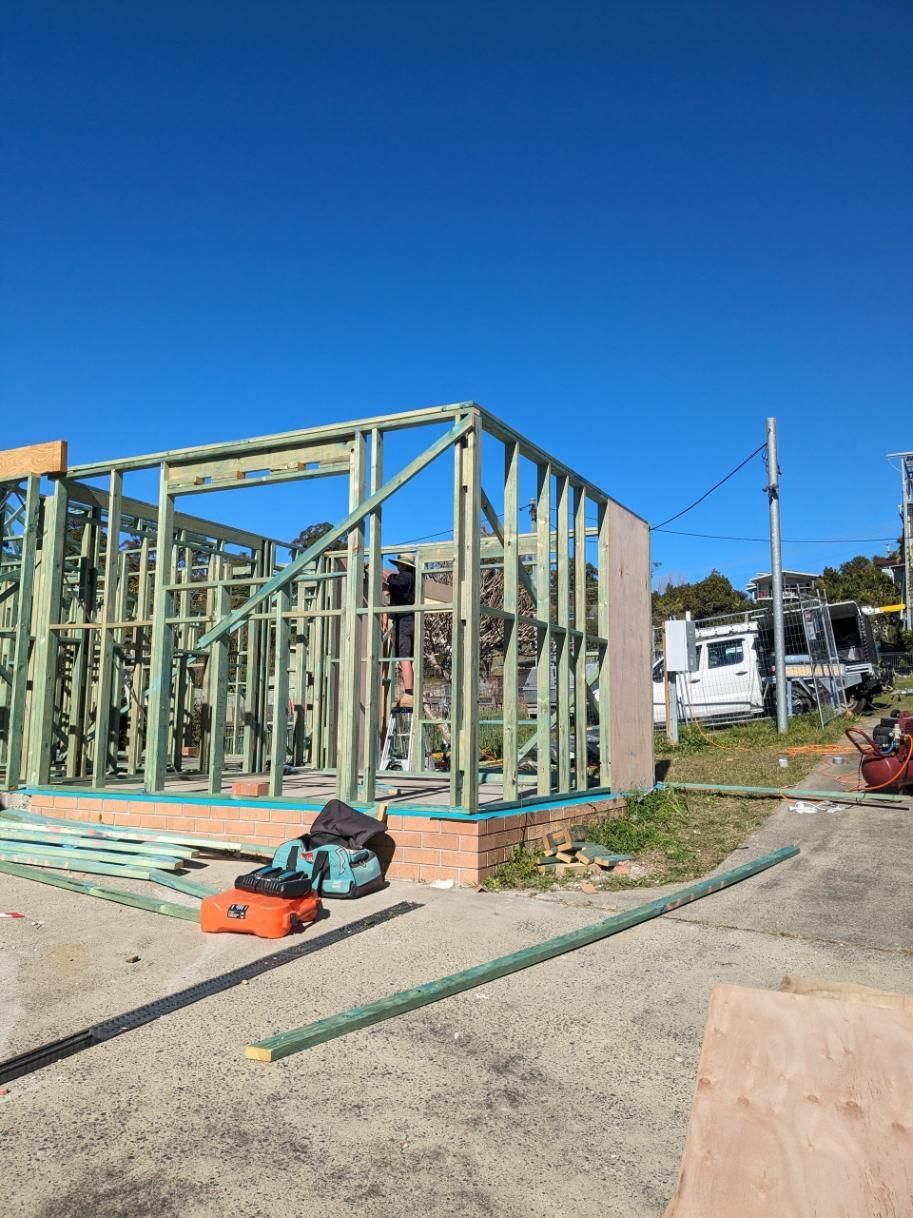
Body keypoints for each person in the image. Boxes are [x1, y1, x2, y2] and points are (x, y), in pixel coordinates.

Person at [383, 553, 416, 707]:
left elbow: (395, 581)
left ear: (403, 565)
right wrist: (390, 592)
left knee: (404, 657)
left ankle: (409, 694)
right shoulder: (411, 578)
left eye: (398, 564)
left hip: (404, 620)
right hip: (406, 619)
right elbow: (400, 590)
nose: (396, 566)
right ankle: (409, 692)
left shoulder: (406, 576)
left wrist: (375, 568)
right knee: (406, 658)